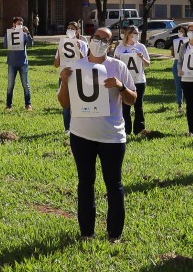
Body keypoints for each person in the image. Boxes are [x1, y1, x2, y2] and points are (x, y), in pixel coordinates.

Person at [57, 26, 137, 243]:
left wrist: (120, 87)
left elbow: (132, 99)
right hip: (81, 135)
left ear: (111, 45)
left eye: (105, 40)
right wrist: (64, 81)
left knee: (114, 183)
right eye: (97, 37)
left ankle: (115, 234)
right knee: (85, 182)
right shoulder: (75, 67)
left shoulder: (118, 66)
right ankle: (87, 233)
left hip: (111, 137)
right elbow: (64, 103)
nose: (100, 42)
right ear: (90, 39)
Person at [113, 25, 150, 135]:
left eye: (138, 33)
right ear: (128, 34)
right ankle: (126, 130)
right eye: (134, 33)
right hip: (125, 81)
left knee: (138, 106)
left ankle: (139, 129)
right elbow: (115, 64)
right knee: (125, 106)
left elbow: (148, 64)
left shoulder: (141, 47)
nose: (136, 35)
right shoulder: (120, 48)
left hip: (139, 80)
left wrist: (142, 57)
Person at [54, 21, 88, 131]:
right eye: (68, 28)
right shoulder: (62, 43)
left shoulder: (82, 44)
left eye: (72, 28)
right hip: (64, 76)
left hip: (78, 76)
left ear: (77, 31)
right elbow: (56, 64)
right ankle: (67, 128)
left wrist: (78, 49)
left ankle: (78, 128)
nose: (70, 30)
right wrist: (59, 51)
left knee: (78, 104)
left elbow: (86, 62)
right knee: (66, 105)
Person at [5, 15, 33, 111]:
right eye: (18, 24)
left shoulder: (24, 34)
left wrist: (28, 33)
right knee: (10, 85)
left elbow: (31, 44)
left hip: (23, 63)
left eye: (21, 24)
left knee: (26, 85)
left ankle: (28, 104)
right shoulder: (9, 34)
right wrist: (11, 34)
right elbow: (5, 45)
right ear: (14, 24)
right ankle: (8, 105)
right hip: (12, 63)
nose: (20, 25)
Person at [170, 25, 188, 111]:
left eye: (182, 31)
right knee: (178, 85)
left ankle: (189, 102)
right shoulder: (176, 41)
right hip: (177, 63)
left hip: (187, 63)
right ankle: (180, 104)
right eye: (179, 31)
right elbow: (173, 54)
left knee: (187, 84)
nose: (180, 33)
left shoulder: (189, 42)